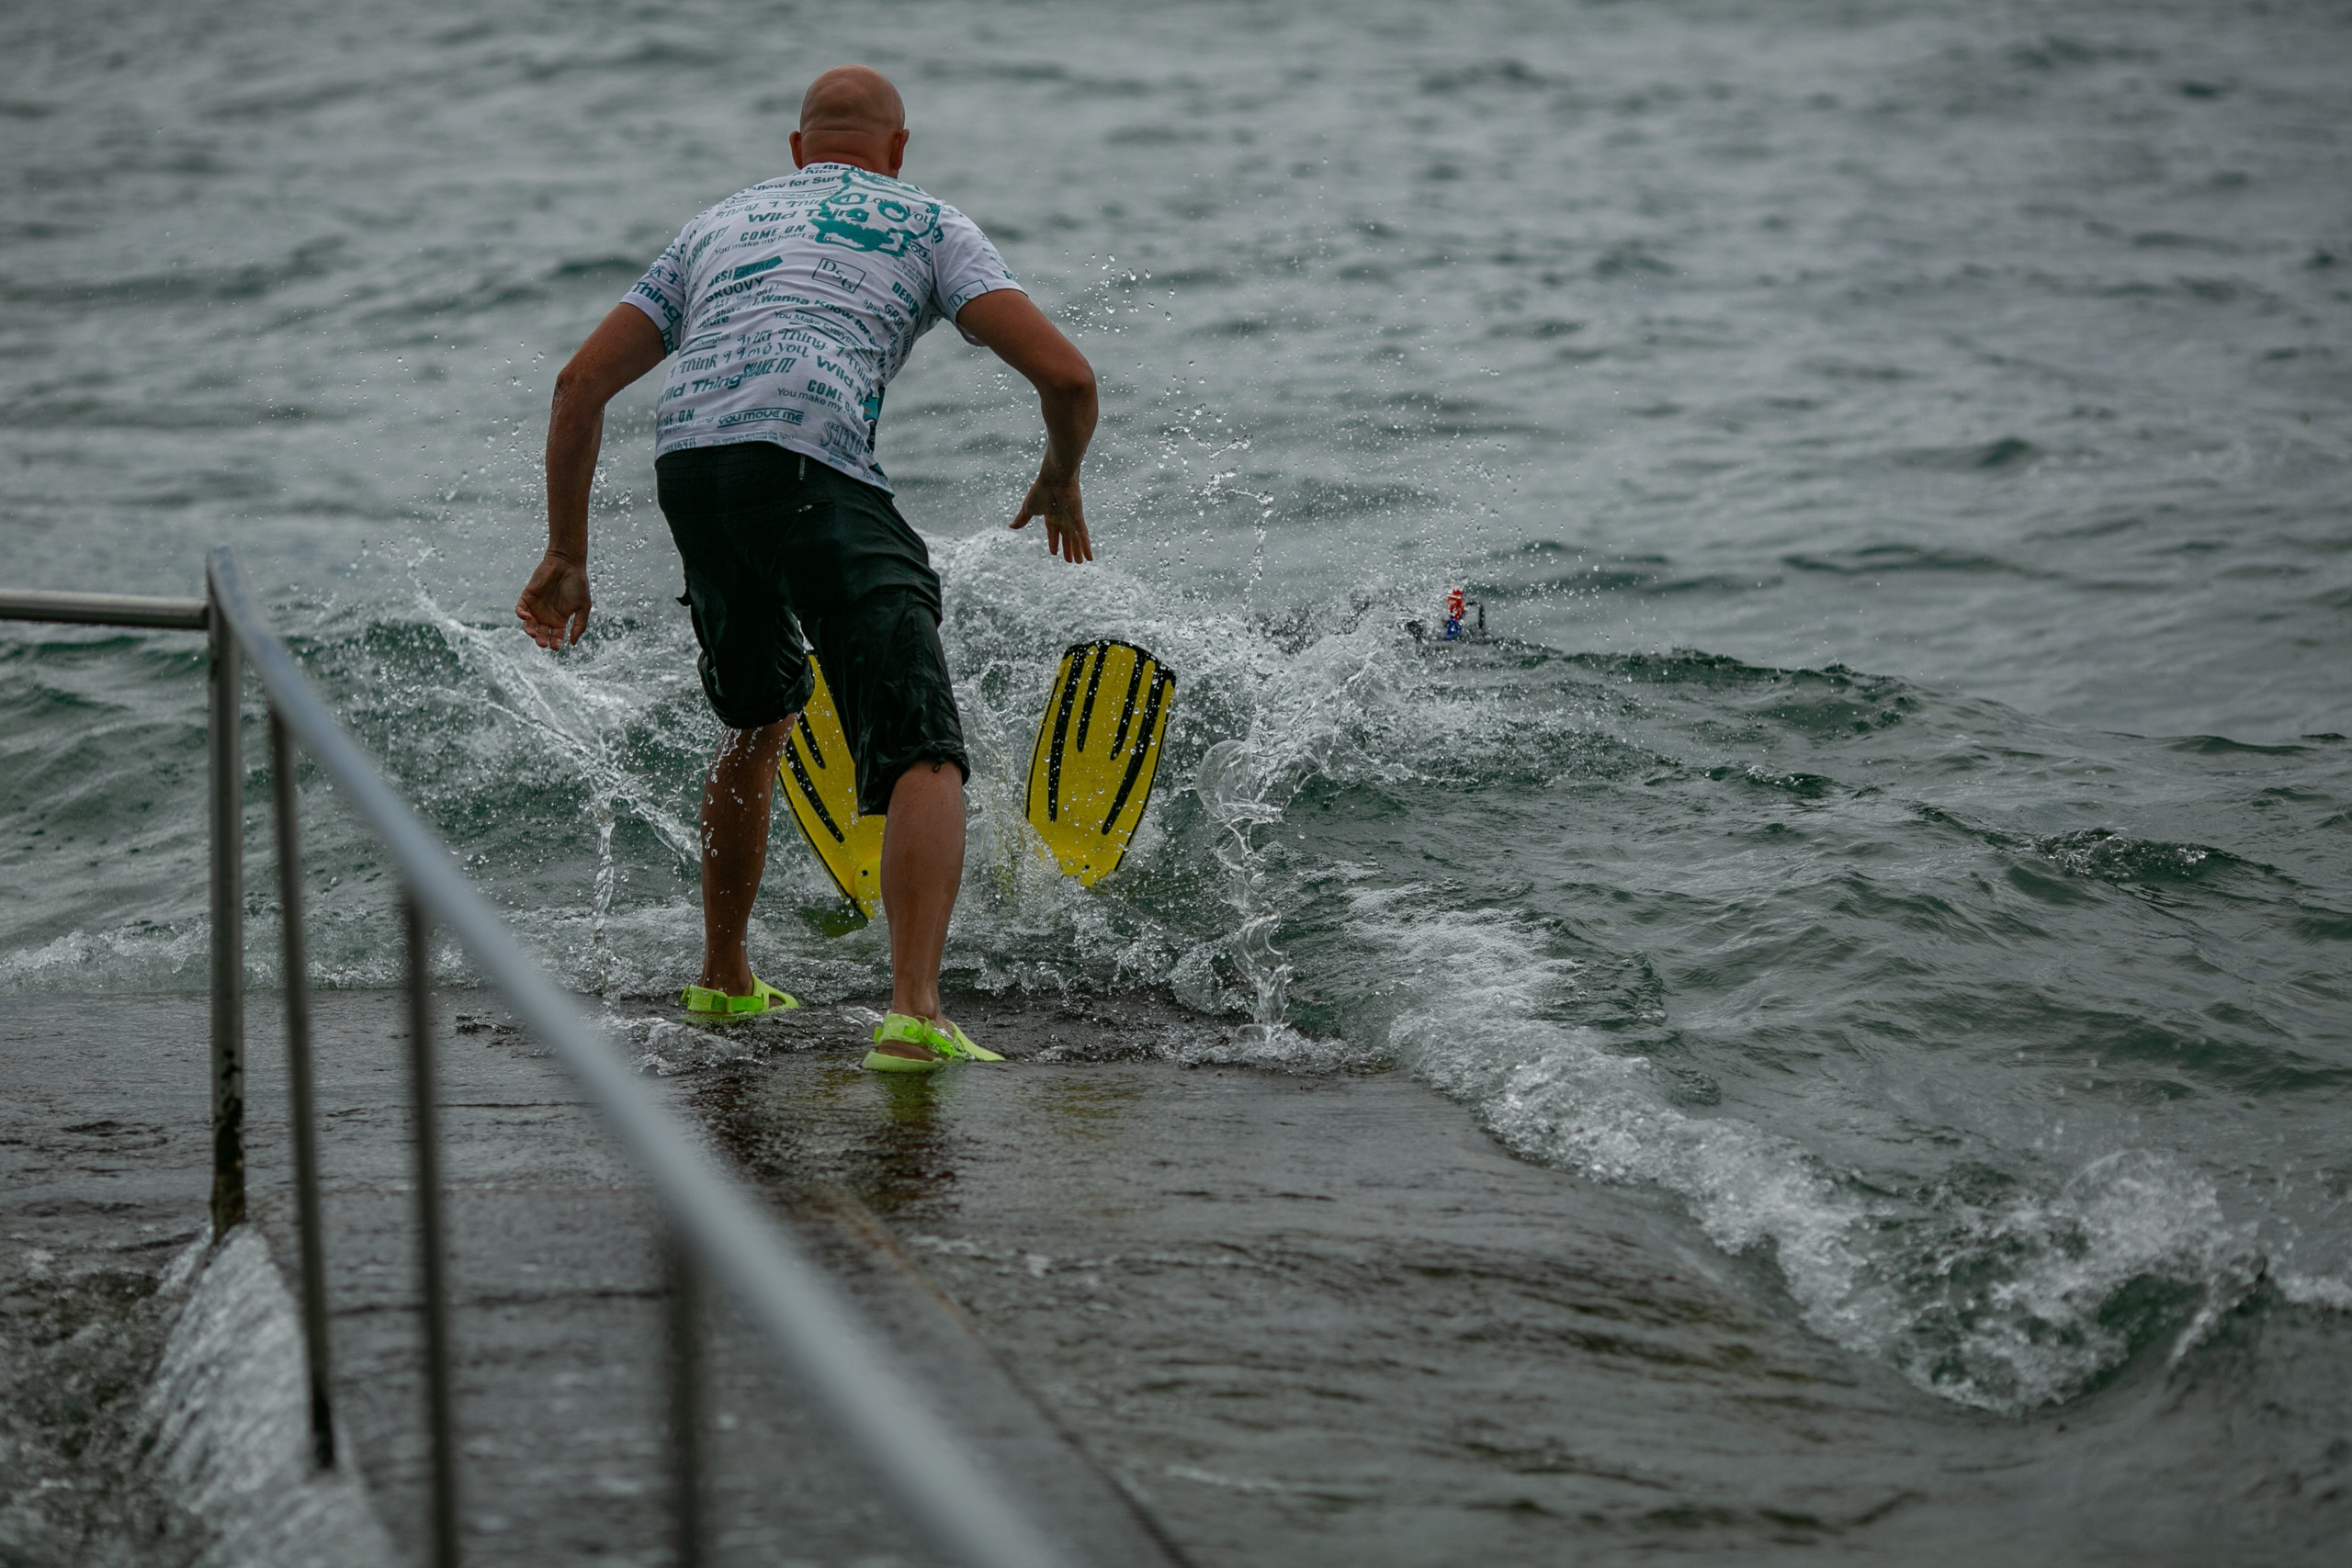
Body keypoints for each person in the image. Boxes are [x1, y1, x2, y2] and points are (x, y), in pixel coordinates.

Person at [514, 65, 1096, 1070]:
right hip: (808, 459)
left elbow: (578, 385)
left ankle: (725, 978)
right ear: (898, 148)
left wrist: (566, 551)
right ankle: (915, 1010)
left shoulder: (714, 226)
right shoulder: (928, 221)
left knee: (757, 714)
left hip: (692, 468)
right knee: (920, 741)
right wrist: (1058, 475)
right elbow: (1068, 375)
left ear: (797, 149)